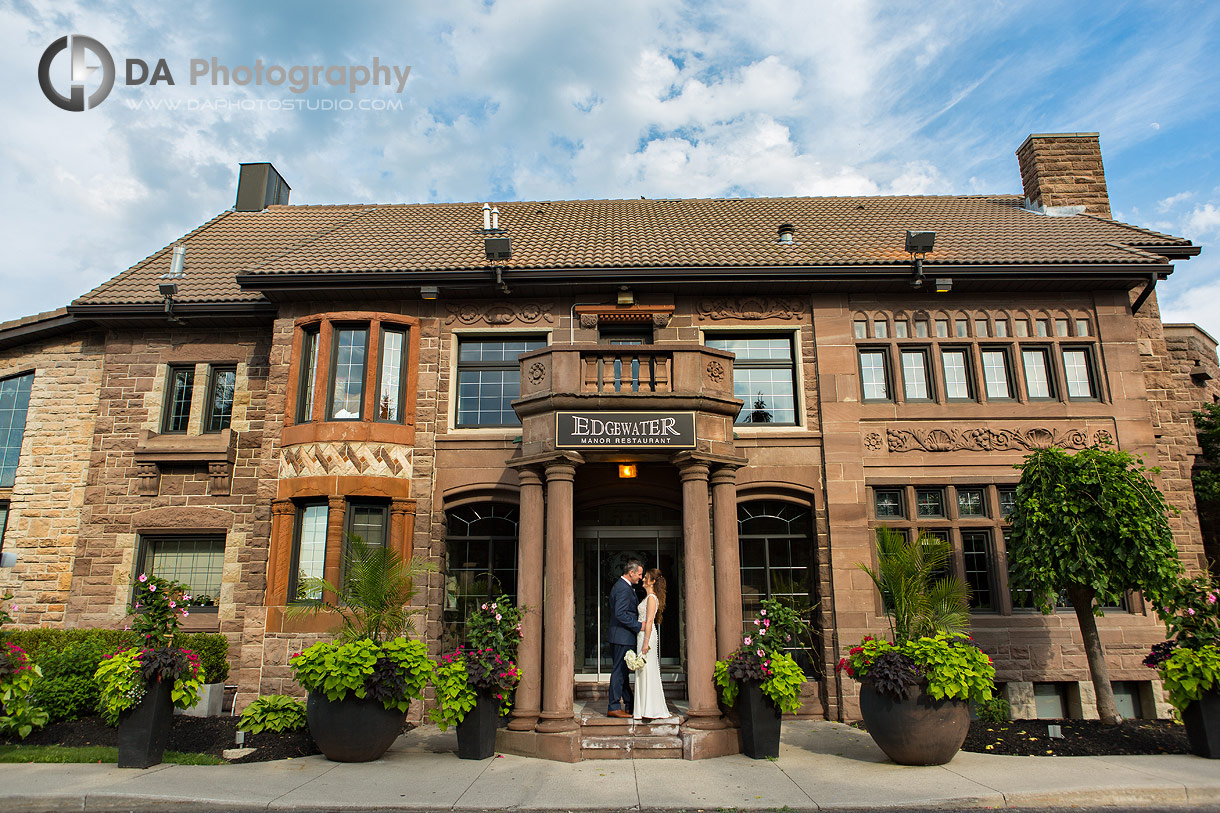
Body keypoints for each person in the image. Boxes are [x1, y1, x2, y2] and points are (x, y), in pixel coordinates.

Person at [607, 559, 643, 718]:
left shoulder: (624, 587)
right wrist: (638, 625)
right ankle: (614, 706)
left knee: (622, 672)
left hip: (622, 636)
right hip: (622, 637)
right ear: (631, 573)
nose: (641, 578)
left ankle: (629, 705)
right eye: (639, 574)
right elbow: (620, 613)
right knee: (618, 673)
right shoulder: (623, 588)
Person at [633, 568, 670, 721]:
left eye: (646, 578)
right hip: (642, 636)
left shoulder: (652, 599)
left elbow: (649, 621)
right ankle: (643, 708)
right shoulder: (647, 598)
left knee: (647, 669)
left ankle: (651, 708)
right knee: (642, 671)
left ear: (653, 581)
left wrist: (645, 643)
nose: (643, 580)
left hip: (647, 637)